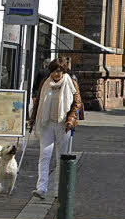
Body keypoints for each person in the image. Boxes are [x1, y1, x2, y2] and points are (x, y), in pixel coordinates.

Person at [27, 59, 83, 200]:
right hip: (46, 122)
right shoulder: (45, 83)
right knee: (44, 155)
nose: (56, 74)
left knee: (61, 158)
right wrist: (33, 118)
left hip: (63, 124)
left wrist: (71, 119)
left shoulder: (71, 82)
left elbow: (77, 103)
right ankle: (41, 188)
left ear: (63, 71)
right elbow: (38, 102)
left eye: (59, 71)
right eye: (53, 71)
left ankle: (59, 190)